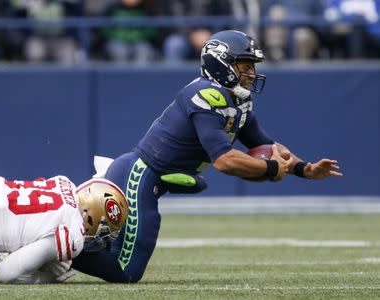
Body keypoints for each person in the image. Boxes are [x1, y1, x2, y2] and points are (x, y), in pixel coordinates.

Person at [70, 30, 343, 283]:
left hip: (150, 178)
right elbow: (224, 160)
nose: (251, 72)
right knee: (125, 271)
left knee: (108, 252)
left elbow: (266, 144)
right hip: (138, 175)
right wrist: (271, 169)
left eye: (252, 66)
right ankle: (57, 250)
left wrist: (304, 169)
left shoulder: (237, 100)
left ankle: (58, 251)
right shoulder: (207, 95)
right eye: (245, 65)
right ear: (221, 64)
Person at [0, 175, 128, 283]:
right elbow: (7, 273)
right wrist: (46, 278)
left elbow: (24, 225)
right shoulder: (72, 233)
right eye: (103, 232)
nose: (100, 238)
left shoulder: (63, 182)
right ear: (92, 217)